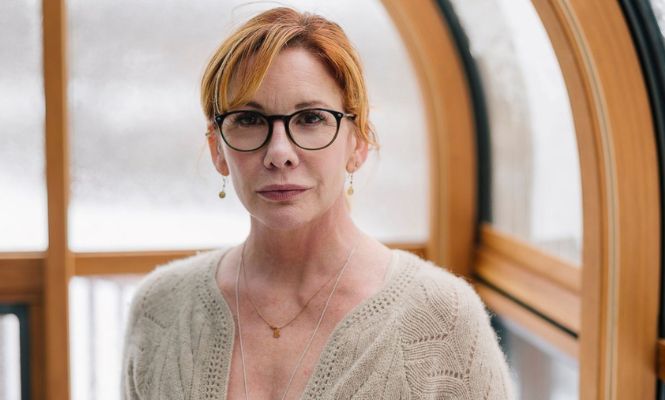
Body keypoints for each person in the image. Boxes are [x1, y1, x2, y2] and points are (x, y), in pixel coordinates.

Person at [121, 7, 513, 400]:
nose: (279, 153)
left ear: (358, 143)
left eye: (310, 118)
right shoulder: (160, 309)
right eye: (249, 120)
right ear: (217, 149)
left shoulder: (443, 319)